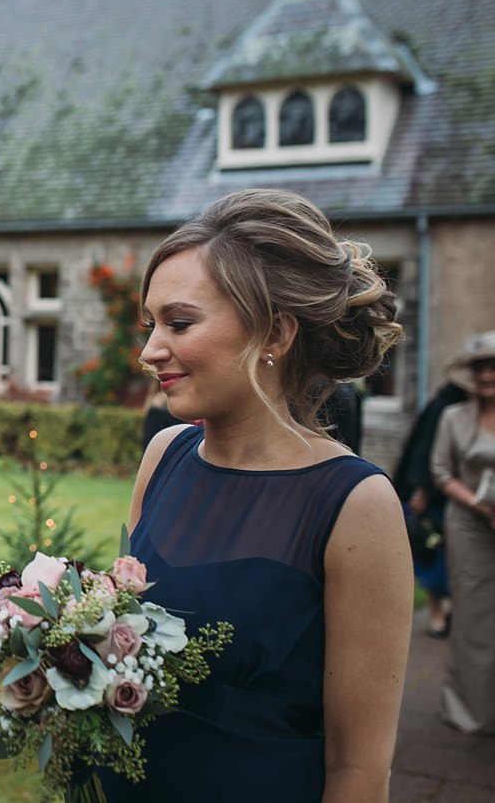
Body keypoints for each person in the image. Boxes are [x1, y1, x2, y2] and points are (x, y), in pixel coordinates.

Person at [102, 188, 410, 803]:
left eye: (179, 323)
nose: (148, 351)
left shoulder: (355, 503)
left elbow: (358, 768)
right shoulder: (164, 456)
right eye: (150, 325)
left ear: (275, 331)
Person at [431, 331, 495, 734]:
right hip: (469, 525)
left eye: (494, 366)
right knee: (475, 619)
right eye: (480, 367)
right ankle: (470, 710)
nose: (487, 374)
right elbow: (440, 472)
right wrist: (480, 506)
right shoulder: (454, 417)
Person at [392, 377, 468, 638]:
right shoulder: (444, 406)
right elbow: (424, 451)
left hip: (467, 497)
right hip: (436, 494)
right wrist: (420, 489)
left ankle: (456, 612)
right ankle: (437, 613)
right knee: (434, 552)